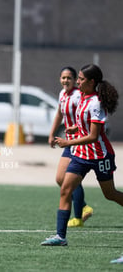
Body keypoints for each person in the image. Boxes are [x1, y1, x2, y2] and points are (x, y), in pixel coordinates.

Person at [41, 64, 122, 246]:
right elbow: (86, 124)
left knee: (109, 194)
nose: (78, 81)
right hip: (81, 155)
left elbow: (94, 136)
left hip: (100, 155)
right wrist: (75, 128)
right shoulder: (83, 97)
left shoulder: (95, 102)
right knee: (65, 189)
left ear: (91, 82)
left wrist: (67, 142)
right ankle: (60, 237)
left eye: (81, 79)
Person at [48, 66, 93, 227]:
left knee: (70, 180)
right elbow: (59, 114)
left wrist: (78, 129)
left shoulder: (78, 95)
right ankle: (84, 207)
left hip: (79, 142)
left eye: (69, 78)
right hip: (68, 142)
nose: (65, 80)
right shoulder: (62, 94)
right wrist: (52, 134)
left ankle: (79, 217)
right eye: (63, 77)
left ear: (75, 80)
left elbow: (86, 115)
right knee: (60, 178)